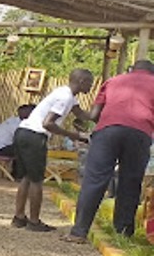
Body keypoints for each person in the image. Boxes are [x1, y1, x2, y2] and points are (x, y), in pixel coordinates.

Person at [63, 60, 154, 243]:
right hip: (140, 133)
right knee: (130, 182)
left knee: (94, 180)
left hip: (107, 132)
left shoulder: (113, 81)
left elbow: (95, 115)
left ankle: (79, 232)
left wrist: (111, 125)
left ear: (132, 69)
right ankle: (123, 235)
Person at [11, 68, 93, 231]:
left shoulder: (64, 93)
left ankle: (19, 217)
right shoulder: (65, 97)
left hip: (22, 132)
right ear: (82, 82)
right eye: (90, 83)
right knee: (36, 180)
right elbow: (48, 123)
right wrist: (73, 135)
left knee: (27, 177)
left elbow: (83, 115)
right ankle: (34, 222)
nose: (91, 87)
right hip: (35, 136)